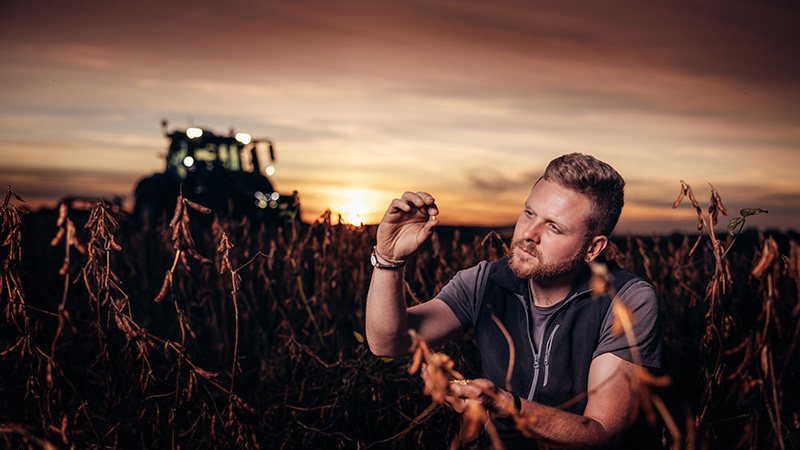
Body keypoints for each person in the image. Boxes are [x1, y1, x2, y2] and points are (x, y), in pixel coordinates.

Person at [365, 153, 662, 449]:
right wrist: (389, 259)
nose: (529, 234)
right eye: (529, 213)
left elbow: (602, 433)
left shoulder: (627, 300)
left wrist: (506, 404)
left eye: (554, 227)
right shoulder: (485, 282)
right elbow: (388, 343)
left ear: (593, 248)